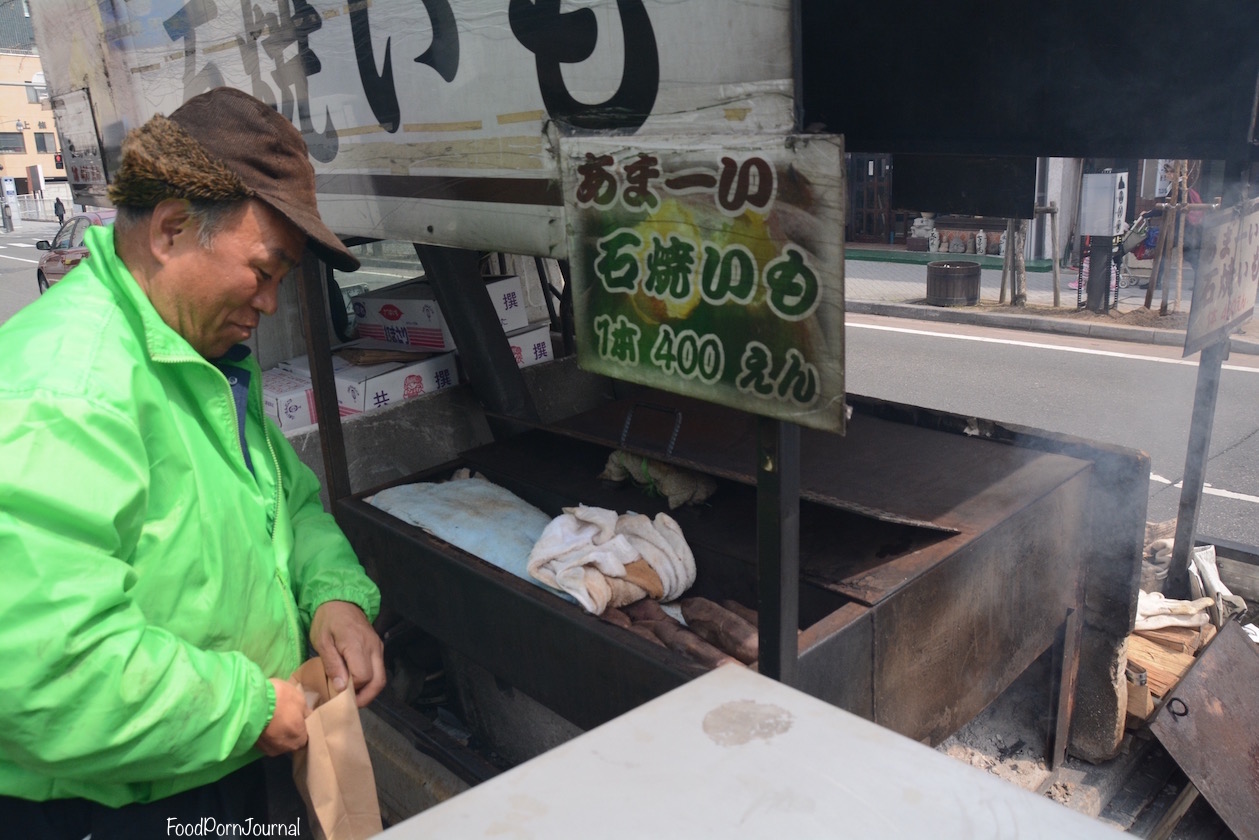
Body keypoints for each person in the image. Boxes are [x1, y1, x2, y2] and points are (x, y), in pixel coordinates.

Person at [0, 88, 385, 838]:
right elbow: (42, 667)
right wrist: (246, 707)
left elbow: (289, 507)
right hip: (112, 807)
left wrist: (335, 598)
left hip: (218, 758)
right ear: (173, 228)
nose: (270, 304)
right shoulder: (62, 389)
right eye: (264, 270)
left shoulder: (194, 358)